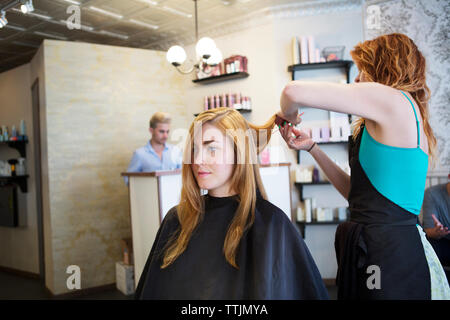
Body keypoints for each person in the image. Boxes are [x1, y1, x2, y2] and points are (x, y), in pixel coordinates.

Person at [277, 33, 450, 299]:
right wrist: (312, 148)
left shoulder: (394, 100)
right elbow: (356, 195)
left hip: (387, 252)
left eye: (363, 70)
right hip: (375, 246)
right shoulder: (394, 115)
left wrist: (288, 116)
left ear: (383, 67)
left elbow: (291, 92)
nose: (357, 79)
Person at [135, 107, 329, 299]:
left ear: (239, 153)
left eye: (212, 148)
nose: (198, 159)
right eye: (194, 149)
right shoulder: (177, 219)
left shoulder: (271, 223)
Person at [124, 112, 182, 185]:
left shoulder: (175, 151)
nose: (165, 136)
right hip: (148, 195)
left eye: (167, 132)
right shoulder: (139, 154)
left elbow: (184, 176)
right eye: (161, 131)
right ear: (151, 130)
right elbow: (128, 180)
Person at [422, 179, 450, 283]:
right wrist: (437, 232)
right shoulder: (432, 193)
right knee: (431, 244)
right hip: (441, 240)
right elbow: (428, 231)